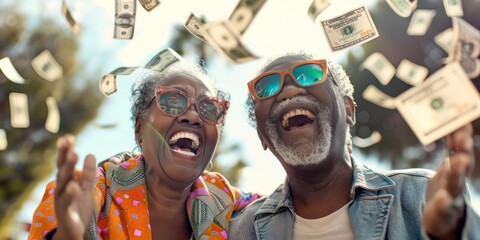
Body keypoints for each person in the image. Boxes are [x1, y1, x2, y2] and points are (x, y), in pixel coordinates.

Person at [229, 53, 480, 239]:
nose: (289, 90)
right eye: (267, 87)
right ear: (262, 135)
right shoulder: (242, 230)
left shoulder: (420, 194)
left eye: (310, 74)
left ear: (348, 109)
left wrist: (457, 234)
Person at [28, 58, 261, 239]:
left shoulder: (226, 199)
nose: (192, 116)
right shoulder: (81, 193)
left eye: (209, 109)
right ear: (140, 129)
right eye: (172, 101)